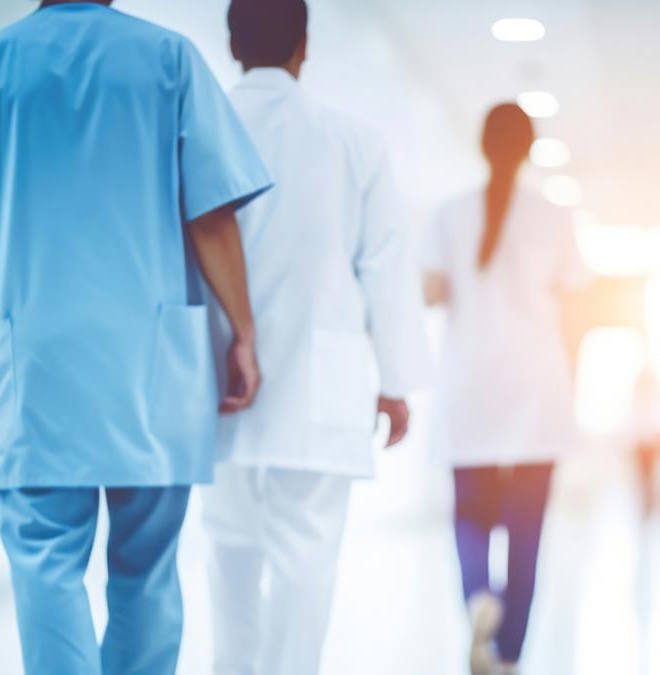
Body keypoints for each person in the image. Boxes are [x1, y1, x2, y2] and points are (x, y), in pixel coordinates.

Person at [0, 2, 271, 673]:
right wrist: (241, 333)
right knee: (147, 567)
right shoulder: (169, 59)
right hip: (151, 363)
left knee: (44, 562)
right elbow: (211, 219)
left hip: (34, 359)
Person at [199, 2, 430, 674]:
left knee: (228, 551)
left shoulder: (198, 130)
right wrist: (394, 383)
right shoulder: (354, 140)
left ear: (232, 44)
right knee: (307, 563)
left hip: (218, 383)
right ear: (305, 47)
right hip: (318, 389)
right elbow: (386, 267)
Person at [422, 103, 589, 675]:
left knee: (469, 512)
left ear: (481, 145)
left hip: (469, 383)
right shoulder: (554, 217)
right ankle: (510, 654)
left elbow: (429, 292)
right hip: (537, 387)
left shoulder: (448, 214)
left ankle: (478, 598)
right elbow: (576, 306)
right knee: (527, 530)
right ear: (528, 148)